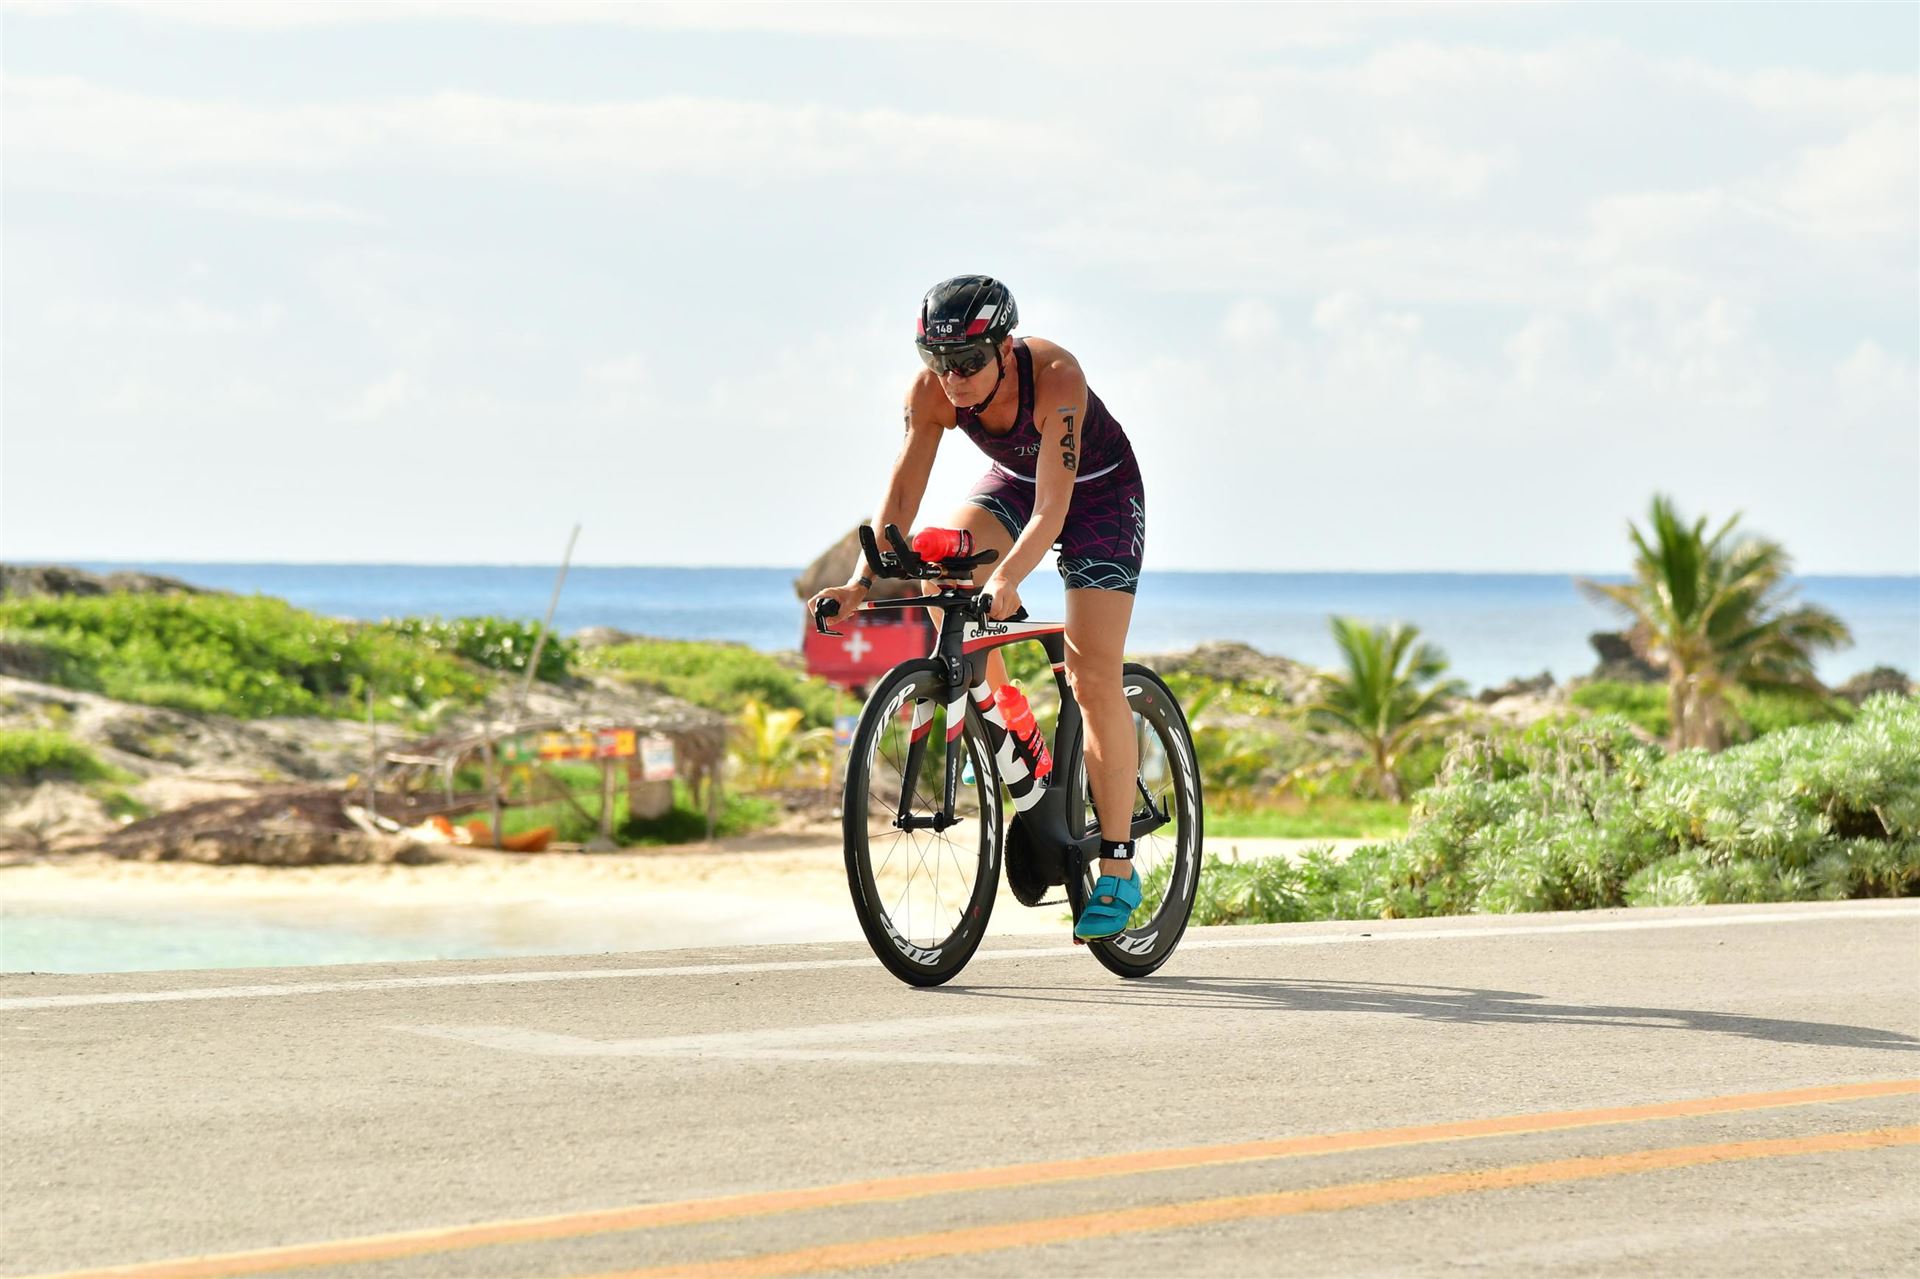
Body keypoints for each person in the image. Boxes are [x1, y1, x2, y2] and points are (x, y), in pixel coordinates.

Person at [807, 275, 1148, 940]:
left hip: (1098, 497)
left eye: (966, 361)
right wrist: (859, 584)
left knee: (1093, 676)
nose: (952, 378)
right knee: (941, 570)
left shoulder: (1056, 377)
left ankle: (1117, 866)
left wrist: (1010, 578)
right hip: (1014, 485)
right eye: (937, 360)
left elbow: (1054, 508)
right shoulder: (932, 391)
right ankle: (1011, 720)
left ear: (1005, 346)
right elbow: (901, 497)